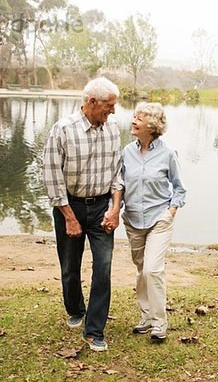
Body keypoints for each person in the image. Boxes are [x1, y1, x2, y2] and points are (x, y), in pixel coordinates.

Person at [42, 76, 123, 352]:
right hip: (70, 205)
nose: (112, 111)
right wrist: (68, 216)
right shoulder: (62, 130)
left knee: (104, 266)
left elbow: (117, 174)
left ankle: (94, 330)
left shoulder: (113, 129)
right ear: (92, 102)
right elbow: (52, 176)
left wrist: (115, 209)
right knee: (69, 266)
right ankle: (75, 308)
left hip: (102, 207)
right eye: (109, 106)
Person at [122, 102, 186, 342]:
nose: (133, 121)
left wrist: (170, 212)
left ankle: (160, 323)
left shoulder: (168, 154)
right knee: (141, 271)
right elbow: (119, 183)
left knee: (152, 270)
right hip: (133, 220)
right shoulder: (127, 152)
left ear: (151, 125)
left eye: (138, 118)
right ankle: (146, 316)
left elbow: (180, 189)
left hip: (159, 218)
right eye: (134, 117)